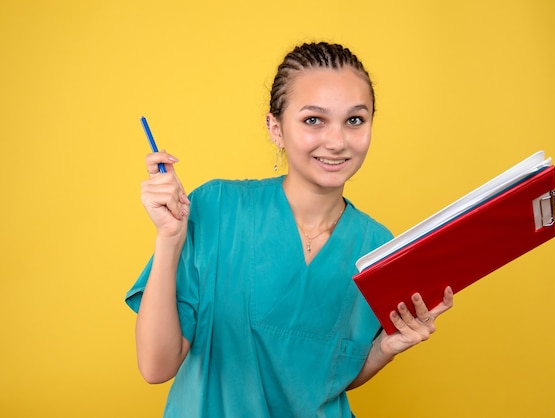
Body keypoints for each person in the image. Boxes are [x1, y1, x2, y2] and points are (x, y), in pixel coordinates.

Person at [125, 41, 454, 417]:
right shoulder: (216, 209)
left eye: (355, 120)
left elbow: (328, 377)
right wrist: (170, 239)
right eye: (314, 120)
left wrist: (384, 349)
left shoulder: (377, 248)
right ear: (275, 127)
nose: (337, 141)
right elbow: (156, 367)